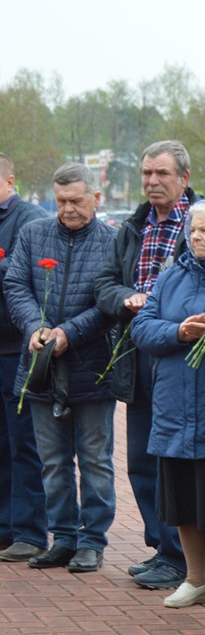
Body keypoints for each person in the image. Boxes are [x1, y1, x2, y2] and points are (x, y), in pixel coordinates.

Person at [4, 163, 120, 573]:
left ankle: (92, 540)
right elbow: (15, 284)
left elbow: (110, 304)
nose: (67, 208)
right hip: (40, 366)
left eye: (76, 200)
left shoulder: (113, 241)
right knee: (51, 460)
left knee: (94, 459)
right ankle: (63, 537)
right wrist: (35, 327)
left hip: (92, 366)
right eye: (61, 201)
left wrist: (69, 332)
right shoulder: (34, 234)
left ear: (97, 198)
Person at [130, 200, 205, 610]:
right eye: (192, 230)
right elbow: (141, 328)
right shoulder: (172, 274)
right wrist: (179, 331)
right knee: (182, 498)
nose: (195, 236)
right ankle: (196, 579)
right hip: (174, 405)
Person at [94, 140, 197, 590]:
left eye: (162, 174)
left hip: (180, 355)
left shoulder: (203, 222)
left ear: (184, 178)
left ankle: (180, 557)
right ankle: (161, 549)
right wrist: (125, 299)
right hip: (136, 352)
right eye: (146, 174)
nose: (153, 182)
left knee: (173, 460)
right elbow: (104, 283)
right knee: (140, 459)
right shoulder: (132, 227)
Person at [0, 153, 49, 562]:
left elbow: (21, 281)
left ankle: (31, 531)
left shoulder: (27, 220)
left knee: (24, 445)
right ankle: (6, 527)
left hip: (17, 348)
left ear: (10, 180)